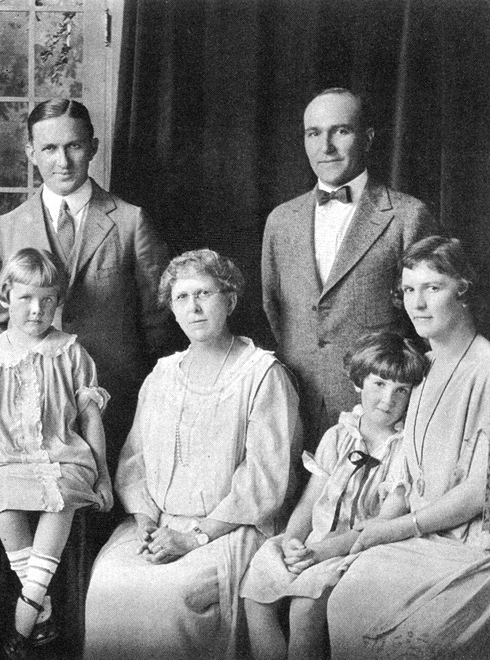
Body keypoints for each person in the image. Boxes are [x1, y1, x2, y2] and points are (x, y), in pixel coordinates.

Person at [84, 249, 302, 659]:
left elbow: (265, 480)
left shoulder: (262, 375)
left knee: (169, 597)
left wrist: (193, 536)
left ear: (230, 300)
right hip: (159, 523)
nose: (194, 307)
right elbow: (135, 461)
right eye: (182, 298)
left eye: (204, 293)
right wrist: (146, 522)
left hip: (230, 529)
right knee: (108, 583)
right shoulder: (163, 375)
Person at [0, 98, 168, 475]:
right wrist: (20, 395)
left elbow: (159, 321)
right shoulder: (8, 228)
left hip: (115, 400)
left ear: (92, 147)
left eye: (74, 146)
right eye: (49, 148)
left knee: (107, 513)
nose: (62, 161)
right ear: (31, 152)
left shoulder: (130, 222)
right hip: (29, 411)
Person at [327, 236, 490, 658]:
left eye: (432, 288)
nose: (417, 303)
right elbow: (405, 472)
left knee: (413, 641)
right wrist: (381, 526)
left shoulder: (486, 370)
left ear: (464, 290)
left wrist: (395, 530)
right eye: (408, 290)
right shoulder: (423, 367)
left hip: (469, 546)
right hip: (419, 537)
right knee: (347, 598)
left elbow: (477, 493)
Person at [0, 248, 113, 658]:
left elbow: (91, 420)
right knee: (1, 496)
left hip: (63, 456)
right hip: (7, 458)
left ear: (58, 302)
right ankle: (39, 608)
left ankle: (24, 612)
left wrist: (104, 477)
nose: (37, 309)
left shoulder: (71, 352)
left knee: (60, 495)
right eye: (25, 298)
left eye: (47, 300)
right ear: (6, 295)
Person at [262, 87, 436, 449]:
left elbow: (427, 326)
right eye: (314, 133)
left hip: (378, 416)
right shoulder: (281, 220)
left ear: (368, 138)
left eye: (340, 131)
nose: (325, 146)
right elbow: (272, 309)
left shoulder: (407, 216)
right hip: (293, 406)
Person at [242, 332, 428, 660]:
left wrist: (319, 552)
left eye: (402, 390)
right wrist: (293, 540)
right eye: (379, 384)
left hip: (357, 550)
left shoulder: (404, 451)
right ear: (359, 383)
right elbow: (310, 501)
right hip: (313, 543)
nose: (388, 400)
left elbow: (383, 525)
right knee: (256, 594)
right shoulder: (338, 436)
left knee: (304, 609)